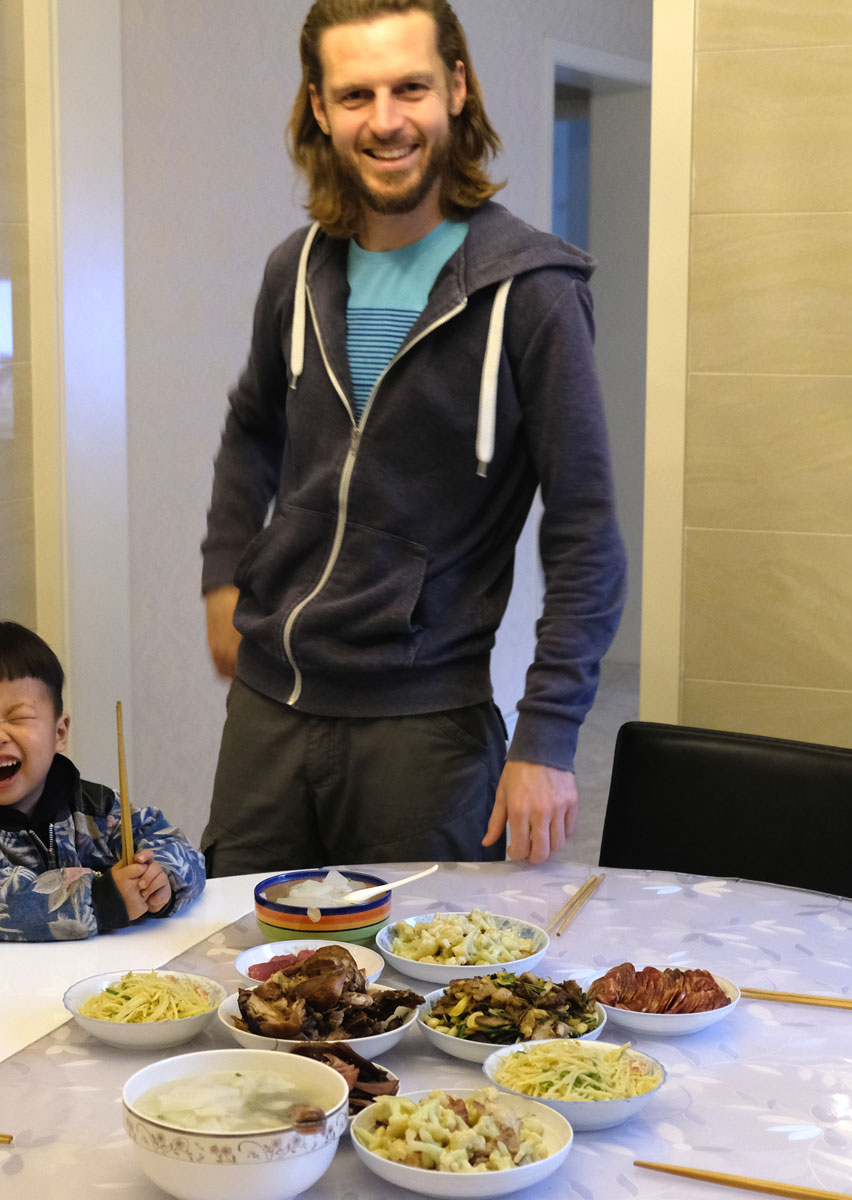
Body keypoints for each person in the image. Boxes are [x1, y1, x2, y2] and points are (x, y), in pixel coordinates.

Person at [199, 0, 624, 873]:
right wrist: (222, 574)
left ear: (457, 90)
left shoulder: (533, 292)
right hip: (270, 712)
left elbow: (586, 532)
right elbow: (251, 429)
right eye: (356, 94)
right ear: (319, 106)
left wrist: (546, 736)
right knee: (250, 979)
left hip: (424, 728)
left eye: (411, 88)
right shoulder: (299, 266)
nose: (385, 121)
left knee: (418, 992)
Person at [0, 619, 206, 944]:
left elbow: (173, 843)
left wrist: (161, 881)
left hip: (79, 980)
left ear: (59, 733)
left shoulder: (93, 807)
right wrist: (101, 901)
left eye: (18, 717)